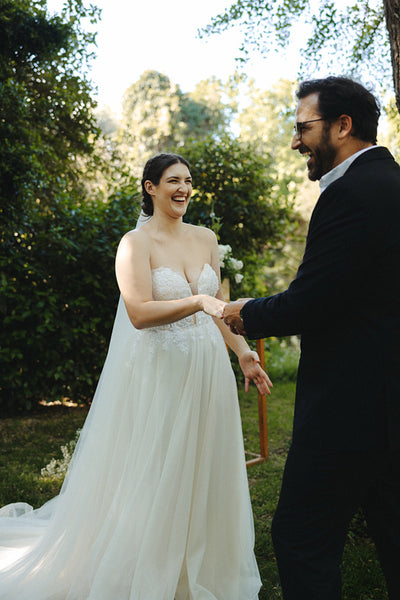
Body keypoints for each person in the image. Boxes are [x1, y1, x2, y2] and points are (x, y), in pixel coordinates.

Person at [0, 152, 272, 600]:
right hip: (161, 373)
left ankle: (201, 563)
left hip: (207, 372)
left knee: (204, 465)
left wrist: (242, 351)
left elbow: (219, 305)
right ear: (150, 187)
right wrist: (200, 304)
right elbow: (140, 313)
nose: (183, 189)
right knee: (158, 469)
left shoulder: (206, 238)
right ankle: (148, 566)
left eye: (188, 180)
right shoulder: (135, 243)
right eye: (172, 181)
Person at [223, 76, 400, 599]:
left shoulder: (349, 194)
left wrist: (244, 312)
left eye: (303, 127)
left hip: (350, 405)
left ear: (342, 126)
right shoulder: (393, 184)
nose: (296, 140)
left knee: (302, 535)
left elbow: (311, 302)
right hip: (391, 400)